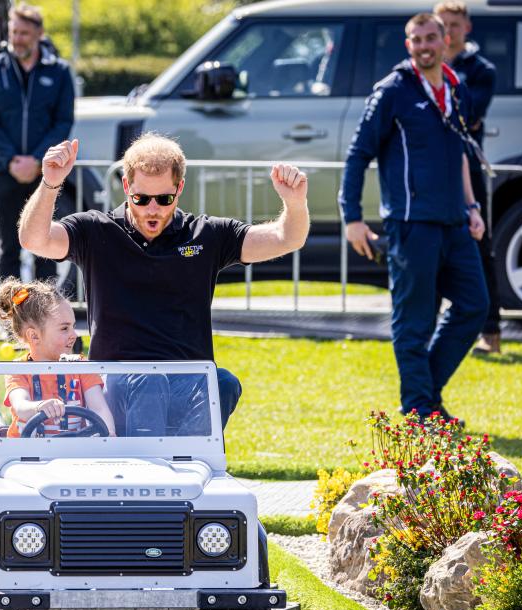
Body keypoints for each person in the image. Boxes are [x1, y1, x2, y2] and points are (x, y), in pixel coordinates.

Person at [17, 132, 309, 434]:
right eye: (141, 199)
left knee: (223, 383)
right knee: (150, 381)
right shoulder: (96, 231)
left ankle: (190, 465)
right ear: (126, 186)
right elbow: (33, 239)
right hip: (118, 383)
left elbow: (286, 238)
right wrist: (50, 184)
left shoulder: (205, 235)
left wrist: (295, 203)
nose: (152, 209)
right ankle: (151, 467)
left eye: (164, 199)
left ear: (179, 188)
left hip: (187, 379)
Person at [340, 12, 488, 422]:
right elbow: (358, 155)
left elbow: (460, 151)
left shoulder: (456, 88)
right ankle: (421, 410)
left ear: (445, 41)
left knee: (475, 306)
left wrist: (472, 207)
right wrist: (351, 217)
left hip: (455, 222)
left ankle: (425, 398)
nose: (424, 46)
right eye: (416, 40)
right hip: (410, 224)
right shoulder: (393, 90)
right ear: (408, 45)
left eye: (430, 38)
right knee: (415, 321)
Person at [0, 3, 75, 283]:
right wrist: (11, 159)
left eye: (24, 33)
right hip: (5, 170)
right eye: (14, 32)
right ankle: (11, 316)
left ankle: (45, 314)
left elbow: (63, 121)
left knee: (44, 245)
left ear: (39, 34)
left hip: (45, 172)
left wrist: (36, 160)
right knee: (9, 246)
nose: (18, 38)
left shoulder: (59, 71)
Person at [436, 1, 501, 355]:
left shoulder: (481, 70)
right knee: (430, 246)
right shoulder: (420, 69)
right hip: (431, 170)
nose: (446, 33)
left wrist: (441, 71)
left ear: (467, 28)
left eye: (453, 26)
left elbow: (469, 115)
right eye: (440, 25)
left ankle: (491, 329)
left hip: (467, 169)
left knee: (479, 243)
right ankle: (430, 330)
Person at [0, 278, 116, 437]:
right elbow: (21, 406)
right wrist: (39, 407)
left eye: (73, 326)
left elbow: (99, 408)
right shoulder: (18, 370)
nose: (74, 335)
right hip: (26, 455)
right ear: (34, 336)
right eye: (64, 328)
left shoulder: (81, 366)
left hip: (74, 452)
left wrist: (109, 433)